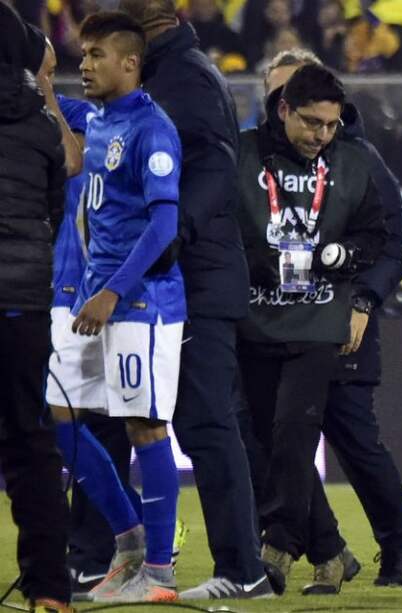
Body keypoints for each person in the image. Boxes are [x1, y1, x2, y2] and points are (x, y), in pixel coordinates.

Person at [116, 0, 274, 600]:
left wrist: (170, 234)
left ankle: (244, 569)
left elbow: (216, 169)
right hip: (165, 273)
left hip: (197, 275)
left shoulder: (187, 76)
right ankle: (112, 558)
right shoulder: (159, 72)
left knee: (206, 423)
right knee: (146, 418)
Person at [256, 49, 402, 594]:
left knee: (353, 439)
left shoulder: (359, 160)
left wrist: (362, 302)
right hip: (277, 325)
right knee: (283, 439)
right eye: (277, 95)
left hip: (345, 320)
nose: (282, 105)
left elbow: (390, 247)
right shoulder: (259, 159)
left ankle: (400, 541)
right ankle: (327, 548)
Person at [232, 63, 386, 594]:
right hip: (254, 320)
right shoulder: (243, 152)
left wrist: (347, 257)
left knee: (294, 435)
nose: (322, 135)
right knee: (268, 444)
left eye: (331, 125)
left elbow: (377, 236)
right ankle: (331, 552)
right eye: (312, 123)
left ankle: (276, 546)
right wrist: (254, 261)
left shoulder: (353, 161)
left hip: (320, 320)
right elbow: (223, 223)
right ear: (283, 110)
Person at [47, 11, 185, 603]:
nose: (86, 63)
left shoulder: (153, 129)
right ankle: (127, 541)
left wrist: (113, 292)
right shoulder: (98, 118)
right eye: (82, 53)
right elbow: (52, 118)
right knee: (57, 414)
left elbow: (164, 225)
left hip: (141, 302)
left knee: (146, 427)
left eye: (96, 54)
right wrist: (46, 81)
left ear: (130, 61)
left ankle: (158, 573)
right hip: (92, 299)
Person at [0, 4, 73, 611]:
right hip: (24, 301)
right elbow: (54, 207)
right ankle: (49, 588)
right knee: (30, 438)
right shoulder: (41, 123)